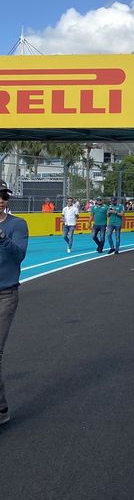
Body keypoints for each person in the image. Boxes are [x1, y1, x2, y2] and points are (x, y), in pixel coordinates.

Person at [0, 180, 28, 427]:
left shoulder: (17, 225)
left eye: (3, 196)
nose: (0, 200)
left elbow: (19, 255)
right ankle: (1, 408)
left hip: (5, 295)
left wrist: (1, 237)